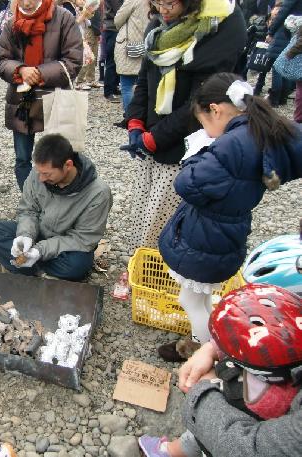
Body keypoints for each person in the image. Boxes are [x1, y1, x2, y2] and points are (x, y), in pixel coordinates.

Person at [156, 73, 302, 360]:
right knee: (200, 297)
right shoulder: (263, 129)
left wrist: (196, 154)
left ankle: (203, 349)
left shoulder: (231, 143)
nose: (207, 131)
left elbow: (187, 185)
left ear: (216, 109)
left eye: (204, 123)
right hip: (227, 232)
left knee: (190, 299)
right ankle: (213, 336)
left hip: (207, 237)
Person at [123, 0, 246, 252]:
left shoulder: (218, 28)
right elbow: (145, 79)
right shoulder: (159, 28)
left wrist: (157, 137)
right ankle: (138, 261)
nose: (162, 10)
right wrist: (135, 122)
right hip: (151, 134)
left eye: (169, 3)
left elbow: (200, 101)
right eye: (156, 2)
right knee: (143, 210)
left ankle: (156, 271)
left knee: (165, 218)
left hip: (184, 143)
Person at [138, 284, 302, 457]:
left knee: (217, 426)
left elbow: (246, 449)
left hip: (239, 429)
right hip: (235, 422)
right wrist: (213, 347)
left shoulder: (271, 404)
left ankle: (169, 451)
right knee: (204, 433)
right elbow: (282, 320)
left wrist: (205, 391)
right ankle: (171, 451)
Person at [0, 134, 112, 281]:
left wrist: (40, 250)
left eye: (47, 174)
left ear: (68, 165)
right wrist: (25, 235)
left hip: (65, 245)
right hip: (38, 233)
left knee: (78, 265)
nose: (41, 179)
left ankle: (28, 266)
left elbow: (83, 239)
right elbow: (28, 210)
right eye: (39, 172)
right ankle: (39, 269)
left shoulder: (98, 193)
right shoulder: (38, 173)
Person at [0, 0, 83, 191]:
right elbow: (1, 61)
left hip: (56, 96)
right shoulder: (12, 23)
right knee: (22, 158)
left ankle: (61, 197)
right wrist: (20, 70)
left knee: (60, 155)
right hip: (22, 100)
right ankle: (30, 198)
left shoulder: (64, 18)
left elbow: (74, 61)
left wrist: (39, 73)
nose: (26, 3)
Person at [114, 0, 150, 111]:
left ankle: (130, 116)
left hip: (130, 46)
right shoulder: (155, 3)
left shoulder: (132, 1)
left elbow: (117, 20)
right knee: (145, 84)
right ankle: (141, 114)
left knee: (127, 85)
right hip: (146, 44)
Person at [265, 0, 302, 106]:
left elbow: (282, 13)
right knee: (291, 66)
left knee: (279, 66)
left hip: (288, 32)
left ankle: (274, 99)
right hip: (296, 33)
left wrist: (271, 31)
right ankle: (283, 97)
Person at [102, 0, 123, 102]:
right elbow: (120, 10)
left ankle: (114, 87)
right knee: (111, 61)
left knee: (116, 60)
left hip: (114, 27)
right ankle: (108, 91)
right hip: (112, 28)